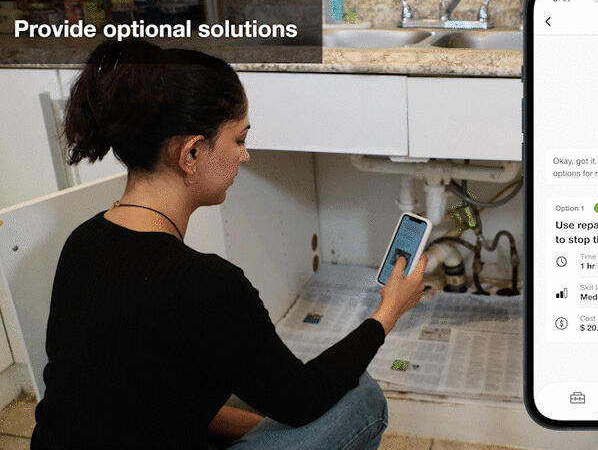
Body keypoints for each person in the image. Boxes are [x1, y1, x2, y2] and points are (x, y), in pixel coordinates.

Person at [30, 38, 427, 450]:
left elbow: (141, 391)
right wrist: (388, 311)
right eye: (238, 140)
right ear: (191, 153)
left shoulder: (84, 240)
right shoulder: (206, 284)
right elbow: (302, 401)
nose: (245, 156)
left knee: (240, 380)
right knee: (361, 398)